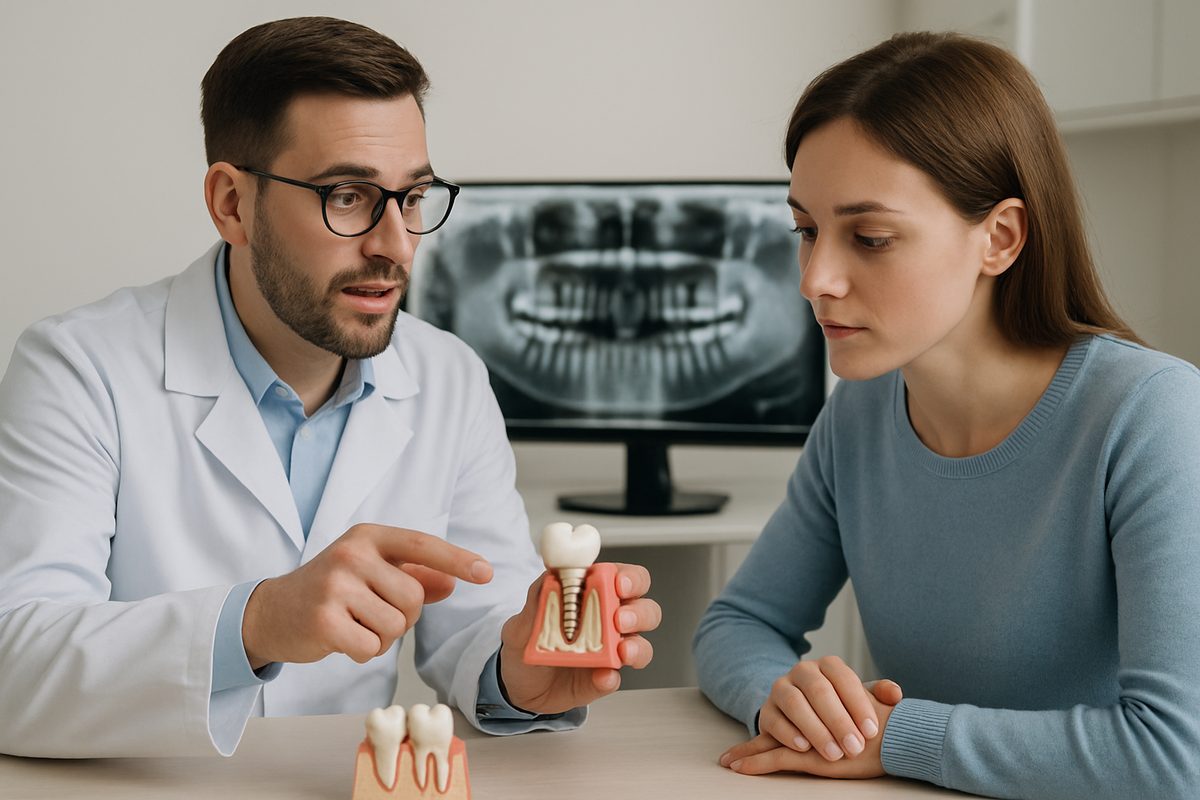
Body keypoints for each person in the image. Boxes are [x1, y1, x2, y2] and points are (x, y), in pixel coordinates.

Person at [0, 16, 659, 758]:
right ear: (231, 203)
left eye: (411, 197)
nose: (395, 244)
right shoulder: (79, 368)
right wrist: (260, 621)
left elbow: (481, 623)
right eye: (347, 196)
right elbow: (13, 663)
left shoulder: (447, 377)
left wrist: (516, 673)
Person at [693, 31, 1200, 800]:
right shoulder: (858, 415)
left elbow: (1175, 752)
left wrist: (899, 737)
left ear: (999, 238)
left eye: (870, 237)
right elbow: (735, 625)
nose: (816, 278)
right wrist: (789, 699)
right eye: (806, 230)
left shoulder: (1151, 416)